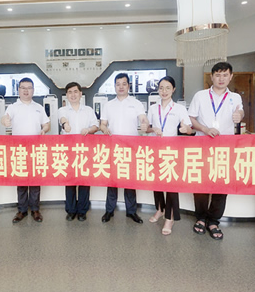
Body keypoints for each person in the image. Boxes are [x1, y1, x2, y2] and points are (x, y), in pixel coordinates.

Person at [188, 62, 244, 240]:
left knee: (221, 184)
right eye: (218, 75)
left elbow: (240, 112)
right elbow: (191, 118)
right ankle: (201, 218)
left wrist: (240, 116)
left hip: (224, 147)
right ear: (211, 77)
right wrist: (204, 129)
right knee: (201, 184)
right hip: (202, 145)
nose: (221, 79)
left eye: (225, 75)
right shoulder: (200, 95)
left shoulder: (235, 97)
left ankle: (214, 221)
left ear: (231, 77)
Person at [99, 72, 149, 224]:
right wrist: (104, 128)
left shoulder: (136, 103)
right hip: (113, 147)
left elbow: (143, 118)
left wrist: (145, 123)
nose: (121, 87)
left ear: (128, 86)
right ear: (114, 86)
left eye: (124, 84)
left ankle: (131, 211)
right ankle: (109, 210)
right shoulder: (108, 105)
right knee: (112, 180)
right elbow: (102, 124)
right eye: (118, 84)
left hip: (131, 148)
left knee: (130, 181)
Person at [146, 76, 194, 235]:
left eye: (167, 88)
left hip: (171, 152)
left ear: (173, 89)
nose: (164, 91)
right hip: (155, 149)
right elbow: (147, 128)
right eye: (161, 88)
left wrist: (185, 129)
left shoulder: (179, 108)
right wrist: (153, 129)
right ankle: (160, 209)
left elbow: (189, 129)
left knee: (171, 186)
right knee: (156, 183)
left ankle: (170, 217)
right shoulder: (153, 108)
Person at [1, 77, 50, 223]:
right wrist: (5, 121)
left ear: (33, 90)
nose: (26, 91)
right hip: (19, 149)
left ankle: (35, 209)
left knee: (35, 180)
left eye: (29, 88)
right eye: (23, 88)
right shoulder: (13, 107)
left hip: (35, 149)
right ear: (19, 90)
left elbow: (46, 124)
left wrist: (44, 129)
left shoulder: (39, 107)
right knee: (21, 180)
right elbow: (5, 118)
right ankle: (21, 210)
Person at [58, 82, 99, 221]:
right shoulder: (62, 110)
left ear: (81, 93)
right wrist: (65, 124)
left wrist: (89, 130)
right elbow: (63, 119)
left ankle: (82, 210)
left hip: (85, 150)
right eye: (70, 92)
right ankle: (71, 210)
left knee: (84, 181)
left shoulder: (88, 110)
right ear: (66, 95)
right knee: (69, 181)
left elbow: (96, 126)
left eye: (75, 91)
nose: (73, 95)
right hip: (68, 151)